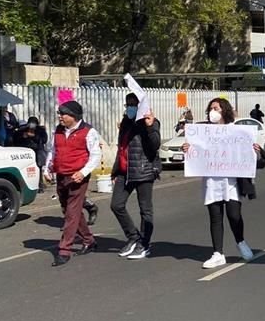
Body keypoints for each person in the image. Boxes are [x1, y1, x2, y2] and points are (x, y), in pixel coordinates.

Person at [183, 98, 260, 269]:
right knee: (215, 217)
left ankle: (241, 242)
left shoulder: (237, 131)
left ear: (224, 110)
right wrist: (188, 149)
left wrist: (257, 152)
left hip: (232, 182)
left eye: (216, 108)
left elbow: (256, 159)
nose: (213, 112)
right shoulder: (204, 132)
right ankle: (218, 253)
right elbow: (195, 152)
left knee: (234, 215)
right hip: (212, 181)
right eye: (211, 109)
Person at [44, 100, 102, 267]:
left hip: (78, 177)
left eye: (64, 114)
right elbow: (53, 150)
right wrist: (47, 169)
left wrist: (83, 172)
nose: (60, 117)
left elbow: (95, 155)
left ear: (74, 116)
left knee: (71, 212)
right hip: (62, 175)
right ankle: (88, 240)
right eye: (60, 114)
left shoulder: (88, 132)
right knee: (68, 210)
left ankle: (64, 250)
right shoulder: (58, 131)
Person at [110, 93, 161, 260]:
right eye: (128, 104)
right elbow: (121, 148)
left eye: (134, 104)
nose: (130, 107)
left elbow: (155, 145)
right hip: (125, 172)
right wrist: (115, 170)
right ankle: (133, 237)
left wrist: (150, 126)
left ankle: (144, 244)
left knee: (145, 210)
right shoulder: (125, 123)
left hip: (143, 171)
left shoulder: (150, 122)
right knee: (116, 205)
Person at [13, 116, 49, 191]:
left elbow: (44, 140)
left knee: (38, 168)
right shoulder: (23, 130)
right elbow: (15, 139)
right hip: (26, 151)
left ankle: (40, 185)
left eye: (34, 123)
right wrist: (23, 136)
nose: (32, 125)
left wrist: (34, 136)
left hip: (37, 151)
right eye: (30, 123)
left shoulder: (40, 130)